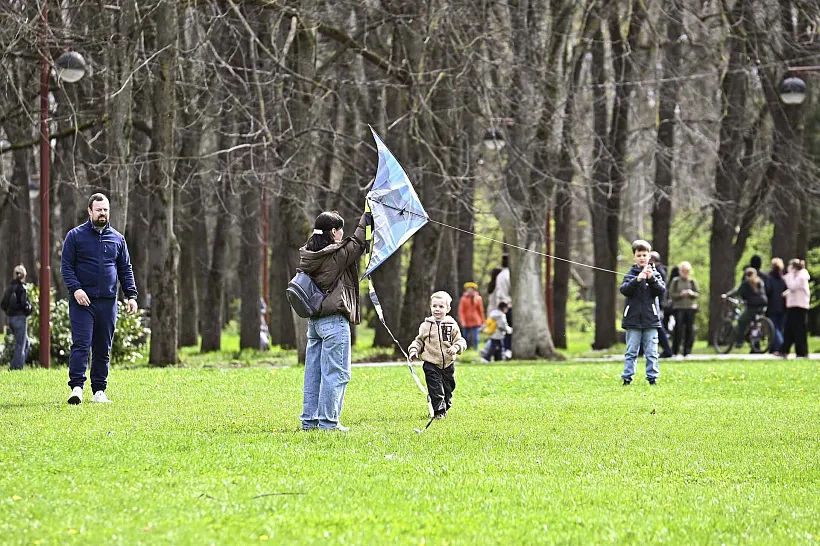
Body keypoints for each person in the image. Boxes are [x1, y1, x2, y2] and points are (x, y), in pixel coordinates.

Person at [62, 194, 138, 404]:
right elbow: (66, 267)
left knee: (103, 347)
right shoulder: (75, 236)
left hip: (108, 302)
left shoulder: (118, 239)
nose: (102, 213)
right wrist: (76, 289)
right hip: (82, 302)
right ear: (90, 211)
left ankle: (99, 391)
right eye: (98, 210)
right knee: (82, 344)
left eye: (105, 210)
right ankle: (76, 388)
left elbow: (125, 269)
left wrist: (131, 295)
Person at [298, 210, 368, 431]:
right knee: (336, 373)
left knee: (314, 375)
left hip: (315, 323)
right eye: (340, 231)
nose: (342, 235)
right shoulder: (333, 256)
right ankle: (329, 423)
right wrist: (366, 218)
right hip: (334, 322)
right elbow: (357, 243)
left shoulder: (309, 253)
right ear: (334, 232)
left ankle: (309, 422)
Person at [408, 291, 466, 418]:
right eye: (434, 306)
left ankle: (444, 405)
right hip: (431, 364)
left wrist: (456, 347)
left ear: (448, 309)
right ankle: (438, 411)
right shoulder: (425, 326)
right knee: (435, 388)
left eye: (441, 306)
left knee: (448, 389)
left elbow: (460, 340)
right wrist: (414, 350)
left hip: (448, 364)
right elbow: (419, 341)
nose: (437, 309)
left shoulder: (452, 324)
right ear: (430, 307)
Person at [620, 240, 665, 386]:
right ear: (634, 256)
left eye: (644, 255)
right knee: (631, 352)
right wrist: (637, 279)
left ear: (649, 256)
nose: (642, 258)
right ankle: (627, 378)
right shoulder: (630, 274)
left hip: (651, 320)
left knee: (651, 352)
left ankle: (652, 378)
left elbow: (660, 290)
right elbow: (624, 290)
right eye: (639, 255)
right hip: (632, 321)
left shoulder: (655, 273)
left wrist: (651, 278)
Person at [722, 267, 767, 352]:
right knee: (753, 322)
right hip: (762, 305)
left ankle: (740, 341)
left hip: (752, 306)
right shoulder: (760, 281)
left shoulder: (746, 283)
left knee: (741, 321)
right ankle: (754, 341)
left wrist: (727, 295)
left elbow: (737, 291)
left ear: (746, 275)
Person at [1, 265, 33, 370]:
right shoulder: (21, 288)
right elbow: (24, 304)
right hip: (20, 319)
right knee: (20, 344)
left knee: (26, 342)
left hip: (11, 319)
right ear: (23, 275)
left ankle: (18, 364)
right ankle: (16, 368)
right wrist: (29, 309)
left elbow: (3, 304)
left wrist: (10, 312)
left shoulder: (9, 288)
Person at [779, 259, 811, 358]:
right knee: (789, 328)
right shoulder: (797, 276)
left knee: (799, 329)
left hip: (799, 306)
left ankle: (801, 351)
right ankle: (784, 350)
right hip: (794, 306)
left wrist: (788, 276)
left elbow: (793, 286)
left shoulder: (801, 276)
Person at [668, 261, 699, 357]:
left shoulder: (692, 281)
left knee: (690, 330)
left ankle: (687, 351)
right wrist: (680, 295)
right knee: (678, 329)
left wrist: (691, 293)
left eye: (687, 271)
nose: (685, 273)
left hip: (690, 308)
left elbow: (697, 293)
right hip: (679, 308)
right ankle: (675, 350)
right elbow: (671, 294)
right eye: (683, 271)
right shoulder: (676, 281)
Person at [649, 251, 673, 358]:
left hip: (657, 303)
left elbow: (661, 289)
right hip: (656, 302)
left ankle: (667, 350)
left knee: (659, 326)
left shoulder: (659, 271)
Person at [493, 254, 513, 359]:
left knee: (502, 329)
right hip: (508, 304)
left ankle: (504, 350)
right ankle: (507, 350)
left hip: (501, 304)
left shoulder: (500, 275)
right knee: (507, 329)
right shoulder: (508, 275)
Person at [765, 258, 787, 353]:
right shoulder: (783, 279)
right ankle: (774, 347)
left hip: (772, 306)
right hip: (782, 306)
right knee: (780, 327)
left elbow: (768, 291)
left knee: (774, 328)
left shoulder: (769, 278)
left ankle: (779, 346)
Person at [457, 282, 484, 350]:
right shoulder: (463, 299)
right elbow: (461, 311)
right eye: (468, 289)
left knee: (475, 336)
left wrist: (483, 320)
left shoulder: (478, 298)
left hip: (475, 320)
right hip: (466, 320)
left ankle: (476, 348)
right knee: (465, 336)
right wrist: (462, 320)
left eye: (471, 289)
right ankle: (464, 348)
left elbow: (480, 310)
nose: (470, 291)